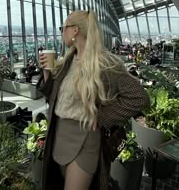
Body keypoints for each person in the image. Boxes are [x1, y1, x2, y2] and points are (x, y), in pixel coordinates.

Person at [38, 10, 150, 190]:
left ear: (75, 30)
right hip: (59, 135)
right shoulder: (68, 60)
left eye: (63, 28)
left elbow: (139, 97)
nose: (61, 32)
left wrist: (101, 117)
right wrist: (46, 73)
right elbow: (54, 98)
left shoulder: (105, 64)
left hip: (85, 139)